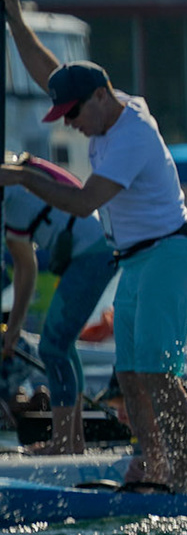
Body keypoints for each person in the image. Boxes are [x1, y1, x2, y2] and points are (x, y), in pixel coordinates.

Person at [0, 0, 187, 493]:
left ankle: (185, 479)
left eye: (72, 114)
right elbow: (49, 72)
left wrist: (25, 177)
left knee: (156, 375)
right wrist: (17, 23)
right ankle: (152, 468)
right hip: (136, 261)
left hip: (169, 254)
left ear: (100, 97)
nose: (69, 124)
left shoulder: (132, 132)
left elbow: (83, 202)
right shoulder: (98, 105)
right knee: (130, 378)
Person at [2, 157, 116, 454]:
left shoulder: (11, 187)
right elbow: (26, 269)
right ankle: (72, 441)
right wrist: (14, 328)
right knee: (62, 345)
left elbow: (25, 269)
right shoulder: (12, 193)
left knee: (53, 346)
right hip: (94, 251)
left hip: (92, 254)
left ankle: (64, 442)